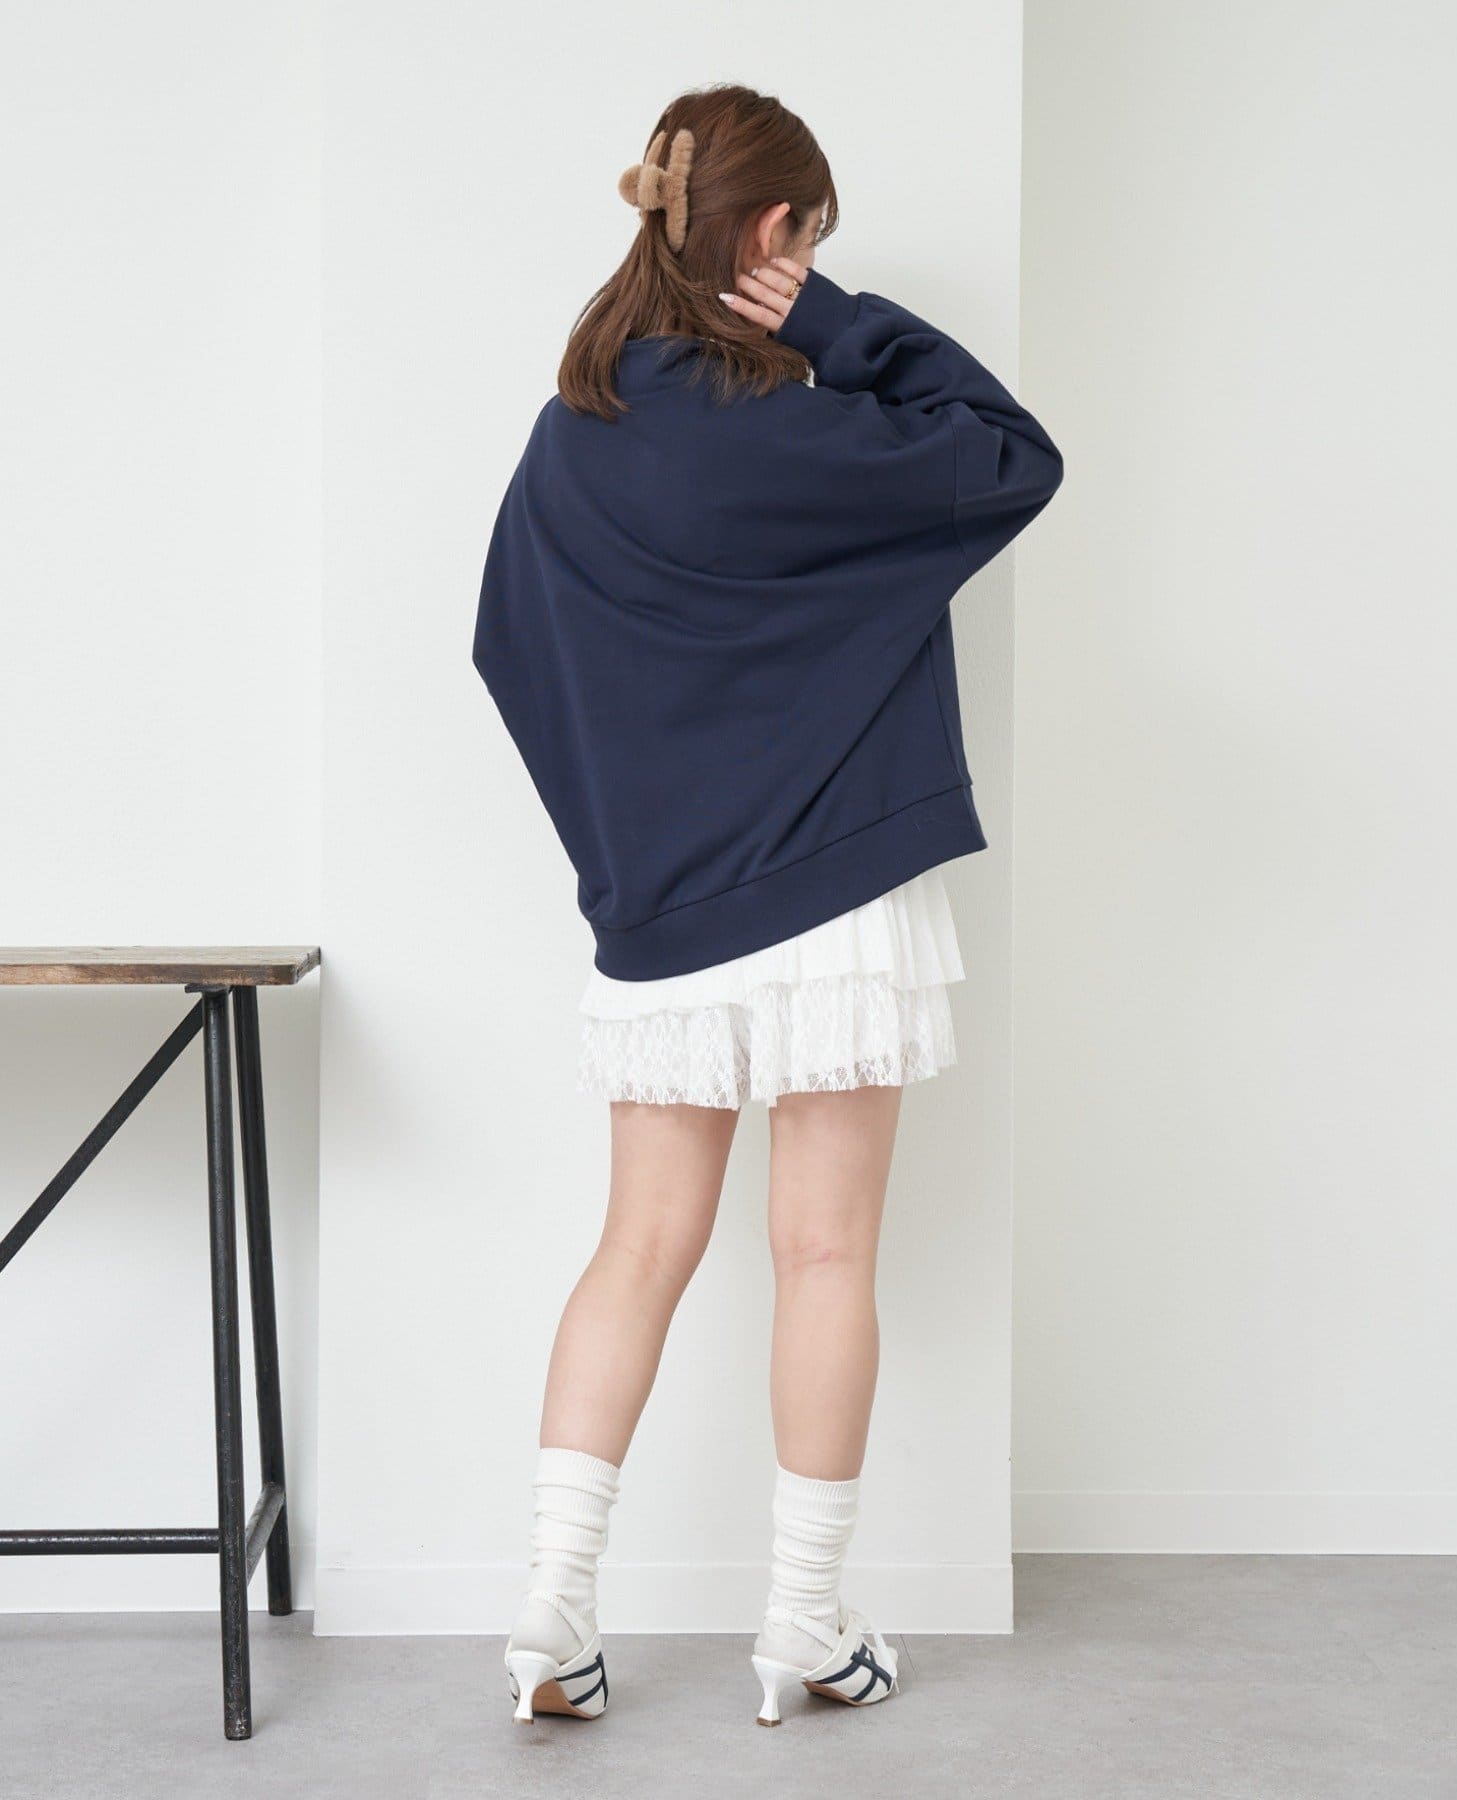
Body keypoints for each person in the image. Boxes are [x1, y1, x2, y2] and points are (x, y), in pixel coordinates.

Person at [472, 81, 1062, 1728]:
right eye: (814, 237)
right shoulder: (819, 434)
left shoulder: (570, 441)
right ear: (775, 233)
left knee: (635, 1251)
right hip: (833, 899)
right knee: (824, 1254)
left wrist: (627, 841)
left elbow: (509, 650)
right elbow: (1016, 456)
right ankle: (802, 1625)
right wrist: (842, 325)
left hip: (661, 914)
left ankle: (550, 1614)